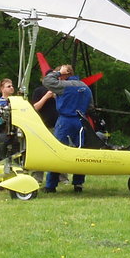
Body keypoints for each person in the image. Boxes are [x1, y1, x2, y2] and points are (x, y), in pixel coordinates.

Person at [42, 64, 93, 193]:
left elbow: (47, 81)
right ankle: (78, 184)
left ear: (65, 74)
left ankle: (51, 185)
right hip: (81, 121)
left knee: (57, 152)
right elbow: (90, 106)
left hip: (65, 121)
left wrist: (58, 73)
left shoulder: (64, 86)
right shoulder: (85, 86)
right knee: (81, 153)